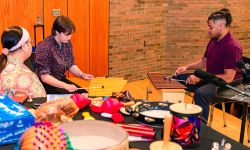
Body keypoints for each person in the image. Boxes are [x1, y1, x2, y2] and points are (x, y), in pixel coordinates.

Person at [175, 8, 243, 122]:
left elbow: (228, 77)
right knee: (175, 79)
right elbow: (203, 62)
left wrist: (201, 78)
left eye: (211, 27)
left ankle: (200, 128)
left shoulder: (233, 47)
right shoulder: (213, 40)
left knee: (201, 93)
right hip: (210, 78)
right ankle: (176, 118)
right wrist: (187, 67)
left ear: (221, 26)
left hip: (226, 85)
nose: (209, 30)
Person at [35, 16, 93, 94]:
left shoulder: (66, 43)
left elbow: (71, 64)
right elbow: (44, 77)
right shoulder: (44, 47)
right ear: (56, 32)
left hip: (60, 79)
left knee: (83, 94)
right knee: (70, 99)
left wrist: (81, 74)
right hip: (46, 84)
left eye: (70, 34)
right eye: (66, 35)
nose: (69, 38)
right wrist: (66, 86)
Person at [0, 26, 46, 98]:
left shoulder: (4, 64)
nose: (31, 45)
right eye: (30, 42)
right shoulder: (25, 76)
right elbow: (40, 100)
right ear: (24, 46)